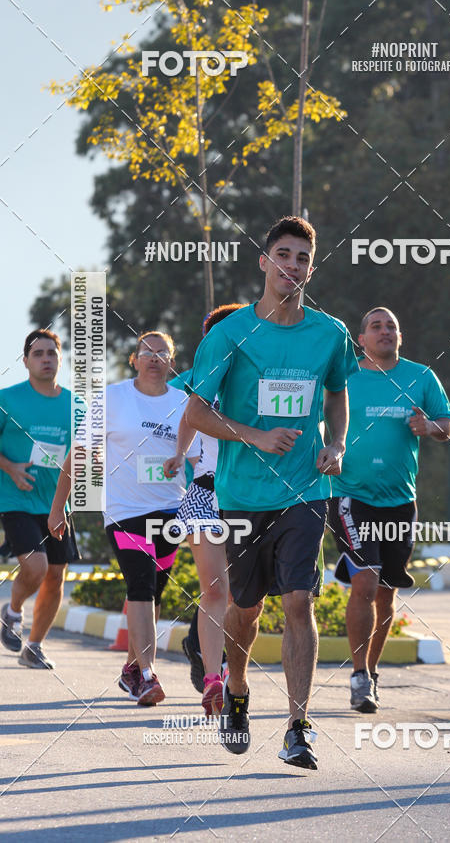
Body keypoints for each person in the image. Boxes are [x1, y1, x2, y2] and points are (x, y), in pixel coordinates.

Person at [185, 216, 356, 769]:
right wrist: (255, 434)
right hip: (241, 492)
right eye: (283, 254)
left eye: (303, 258)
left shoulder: (329, 333)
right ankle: (236, 688)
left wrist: (337, 445)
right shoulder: (229, 334)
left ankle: (297, 727)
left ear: (311, 268)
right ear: (264, 262)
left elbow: (336, 394)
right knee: (244, 608)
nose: (293, 266)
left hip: (304, 489)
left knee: (300, 601)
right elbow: (197, 413)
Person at [49, 331, 200, 705]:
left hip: (170, 508)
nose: (154, 357)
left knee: (156, 591)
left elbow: (201, 460)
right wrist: (58, 506)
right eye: (146, 352)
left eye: (162, 352)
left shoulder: (184, 403)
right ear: (134, 359)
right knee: (141, 585)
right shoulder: (112, 398)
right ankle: (148, 676)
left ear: (171, 361)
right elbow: (79, 454)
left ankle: (132, 668)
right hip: (125, 511)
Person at [329, 307, 450, 711]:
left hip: (400, 500)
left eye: (391, 326)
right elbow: (317, 418)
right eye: (376, 326)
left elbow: (447, 425)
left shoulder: (420, 377)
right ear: (361, 339)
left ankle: (371, 672)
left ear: (400, 337)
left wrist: (430, 428)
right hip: (350, 494)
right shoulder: (344, 376)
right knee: (365, 582)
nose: (385, 331)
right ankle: (357, 676)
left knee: (386, 593)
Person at [166, 303, 245, 714]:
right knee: (215, 590)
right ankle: (215, 678)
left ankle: (210, 655)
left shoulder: (258, 377)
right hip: (204, 495)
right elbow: (188, 417)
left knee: (243, 595)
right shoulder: (199, 381)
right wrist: (180, 455)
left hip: (250, 499)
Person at [0, 329, 80, 669]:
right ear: (26, 361)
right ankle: (12, 611)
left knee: (56, 575)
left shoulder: (77, 404)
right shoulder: (7, 399)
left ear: (61, 359)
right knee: (36, 565)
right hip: (16, 498)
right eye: (38, 354)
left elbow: (83, 455)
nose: (46, 359)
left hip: (57, 502)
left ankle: (34, 646)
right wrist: (10, 467)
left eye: (52, 353)